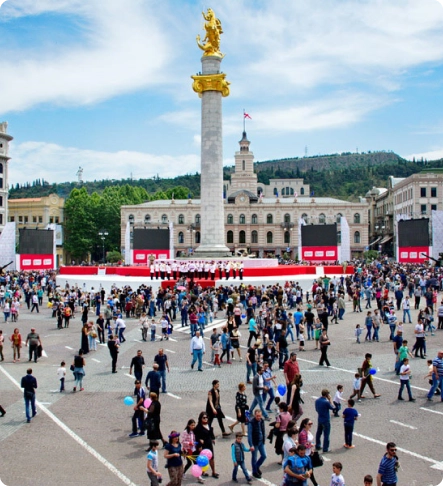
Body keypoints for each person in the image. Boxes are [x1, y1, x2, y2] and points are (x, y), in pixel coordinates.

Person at [195, 411, 219, 478]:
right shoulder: (198, 427)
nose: (205, 419)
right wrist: (199, 445)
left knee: (211, 458)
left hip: (209, 444)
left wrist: (213, 438)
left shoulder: (208, 424)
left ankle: (213, 472)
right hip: (203, 446)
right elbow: (196, 437)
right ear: (200, 419)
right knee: (203, 459)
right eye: (204, 418)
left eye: (206, 417)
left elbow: (211, 432)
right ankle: (203, 471)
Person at [181, 419, 205, 484]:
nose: (193, 426)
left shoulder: (194, 431)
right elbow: (182, 441)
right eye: (192, 425)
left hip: (194, 449)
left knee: (196, 463)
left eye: (194, 425)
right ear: (188, 425)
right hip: (187, 450)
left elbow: (196, 438)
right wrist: (189, 443)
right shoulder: (185, 432)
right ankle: (182, 473)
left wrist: (198, 442)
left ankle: (198, 476)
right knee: (189, 463)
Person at [298, 418, 319, 486]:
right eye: (309, 424)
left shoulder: (308, 431)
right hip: (305, 454)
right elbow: (304, 445)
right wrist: (311, 445)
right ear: (304, 424)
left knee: (309, 470)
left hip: (309, 453)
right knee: (309, 470)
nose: (310, 425)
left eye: (311, 424)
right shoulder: (303, 433)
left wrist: (311, 448)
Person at [248, 409, 267, 479]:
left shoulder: (262, 420)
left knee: (264, 455)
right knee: (254, 458)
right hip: (255, 442)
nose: (258, 417)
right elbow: (249, 434)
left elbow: (263, 430)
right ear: (255, 415)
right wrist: (251, 445)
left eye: (260, 416)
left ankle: (257, 466)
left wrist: (264, 439)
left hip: (261, 441)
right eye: (257, 416)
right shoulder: (251, 423)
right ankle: (254, 471)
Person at [315, 389, 335, 453]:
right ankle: (325, 448)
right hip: (326, 419)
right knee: (326, 434)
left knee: (319, 433)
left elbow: (316, 409)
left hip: (320, 418)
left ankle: (318, 445)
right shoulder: (326, 402)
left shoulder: (317, 400)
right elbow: (333, 407)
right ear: (327, 395)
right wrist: (330, 400)